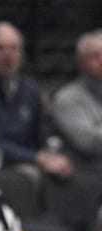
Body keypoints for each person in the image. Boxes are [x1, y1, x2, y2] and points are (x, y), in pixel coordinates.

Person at [0, 21, 73, 192]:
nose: (8, 55)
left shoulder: (30, 90)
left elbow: (44, 131)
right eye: (0, 48)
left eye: (14, 49)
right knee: (27, 179)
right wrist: (36, 158)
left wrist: (54, 154)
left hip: (32, 160)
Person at [51, 29, 102, 174]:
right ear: (81, 62)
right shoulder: (67, 98)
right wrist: (96, 134)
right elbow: (89, 143)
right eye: (95, 56)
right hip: (84, 174)